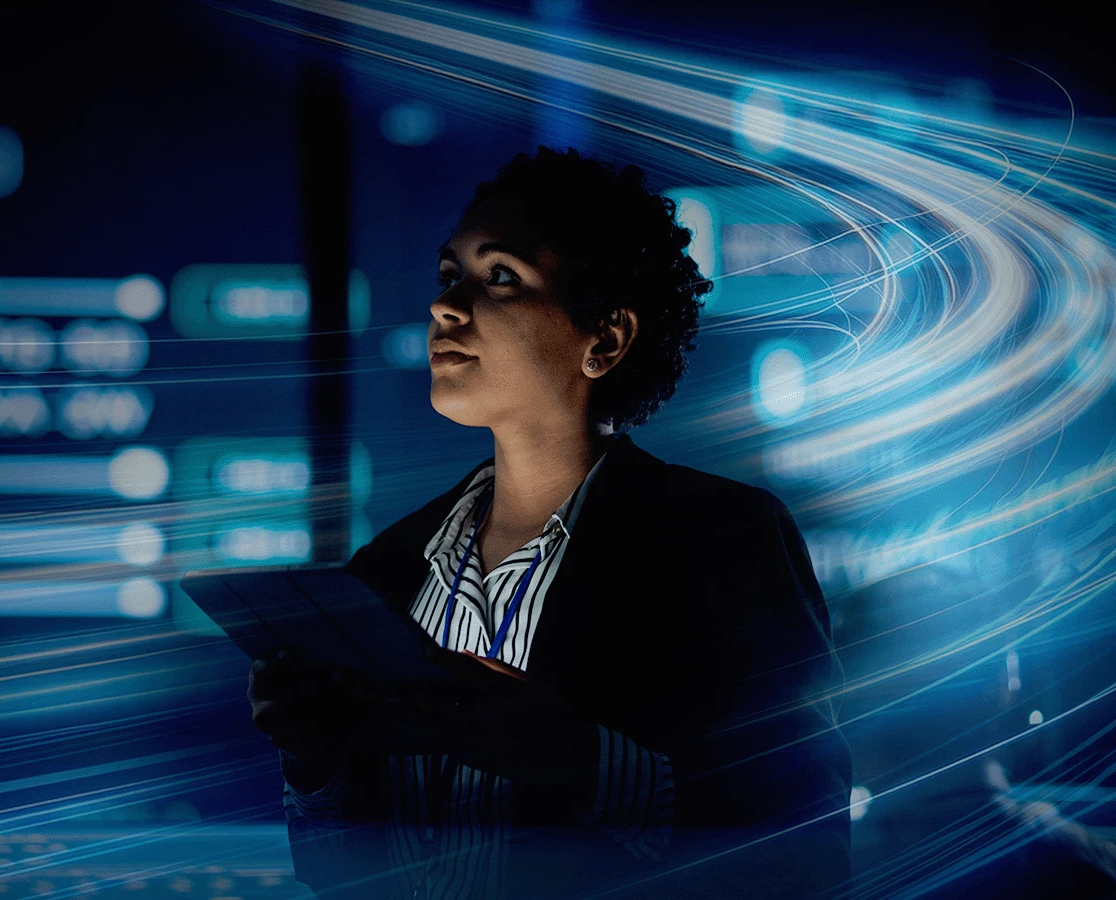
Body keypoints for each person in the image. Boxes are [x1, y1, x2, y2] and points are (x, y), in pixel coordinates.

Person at [247, 147, 852, 899]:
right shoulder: (388, 568)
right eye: (449, 275)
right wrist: (316, 762)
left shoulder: (721, 542)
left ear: (604, 339)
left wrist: (577, 759)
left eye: (500, 276)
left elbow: (804, 841)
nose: (446, 305)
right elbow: (336, 874)